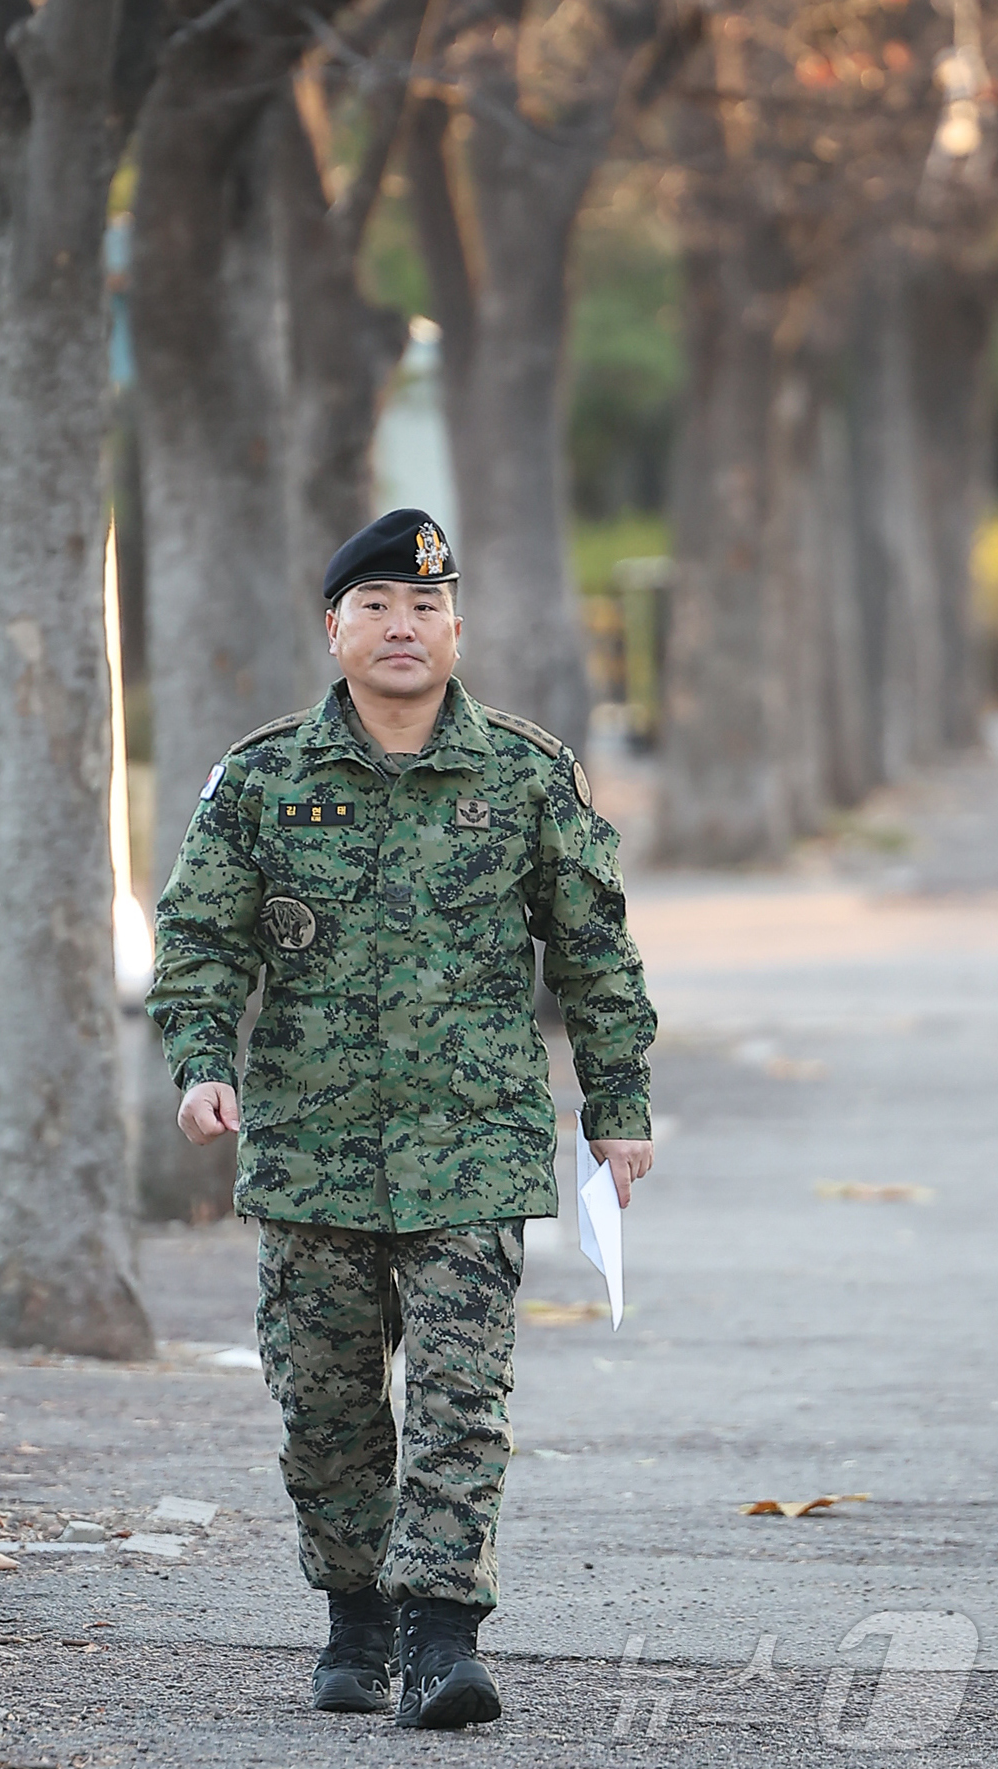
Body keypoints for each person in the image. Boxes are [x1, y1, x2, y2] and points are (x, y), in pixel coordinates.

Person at [147, 507, 656, 1731]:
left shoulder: (525, 774)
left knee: (458, 1399)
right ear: (334, 630)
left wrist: (618, 1101)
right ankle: (355, 1616)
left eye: (423, 607)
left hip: (472, 1146)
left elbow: (593, 949)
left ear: (454, 627)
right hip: (312, 1149)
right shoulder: (264, 777)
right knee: (324, 1405)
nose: (400, 627)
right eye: (374, 606)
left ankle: (441, 1635)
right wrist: (200, 1062)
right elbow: (199, 938)